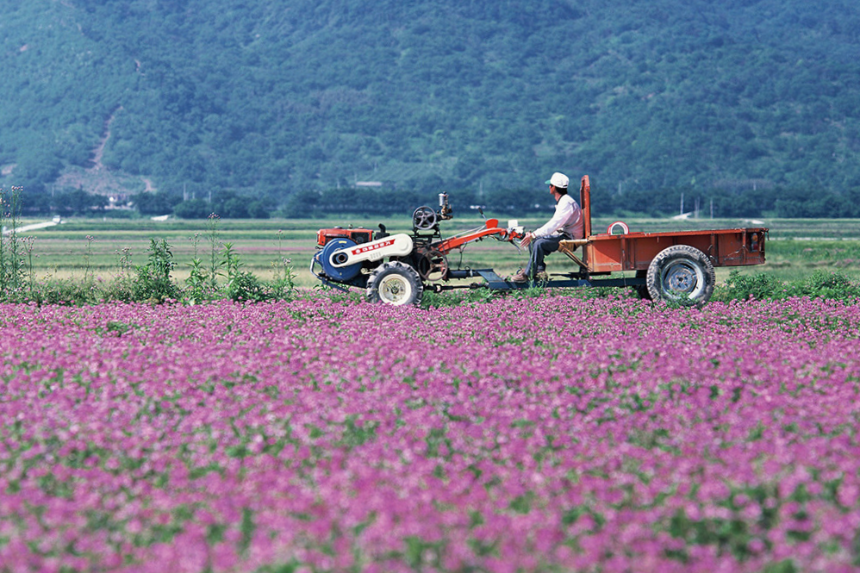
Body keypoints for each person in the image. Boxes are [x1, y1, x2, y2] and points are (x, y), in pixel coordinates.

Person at [511, 172, 584, 282]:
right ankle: (540, 272)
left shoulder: (566, 203)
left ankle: (527, 275)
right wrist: (534, 236)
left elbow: (555, 224)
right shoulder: (565, 201)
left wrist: (534, 234)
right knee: (534, 241)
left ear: (553, 187)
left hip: (571, 238)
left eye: (550, 185)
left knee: (539, 243)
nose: (549, 187)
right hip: (565, 234)